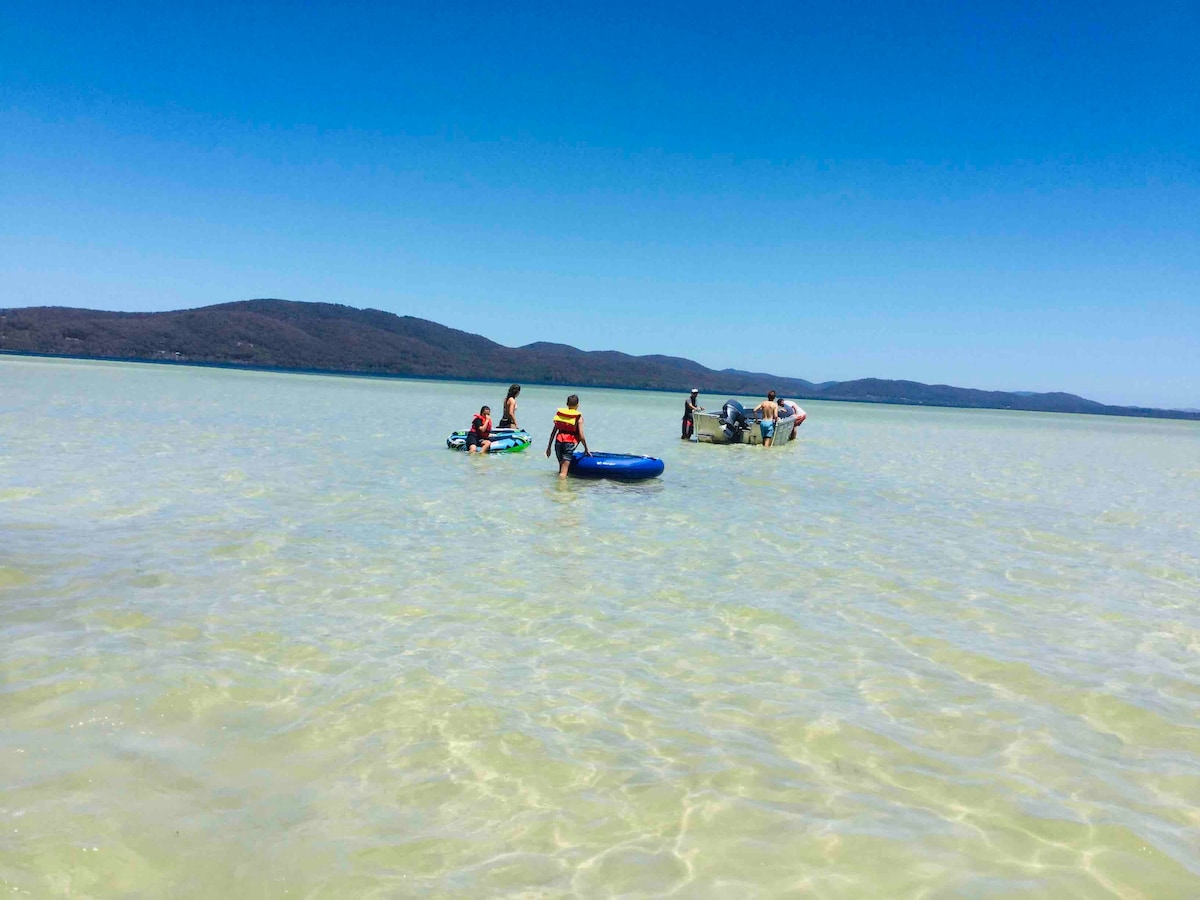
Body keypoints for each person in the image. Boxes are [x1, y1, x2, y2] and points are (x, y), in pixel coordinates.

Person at [545, 394, 590, 478]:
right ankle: (562, 490)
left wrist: (549, 448)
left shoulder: (561, 415)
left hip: (558, 442)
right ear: (578, 405)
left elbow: (553, 432)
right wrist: (586, 449)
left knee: (561, 469)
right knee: (564, 472)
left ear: (567, 404)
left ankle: (557, 488)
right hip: (569, 443)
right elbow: (581, 436)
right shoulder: (578, 417)